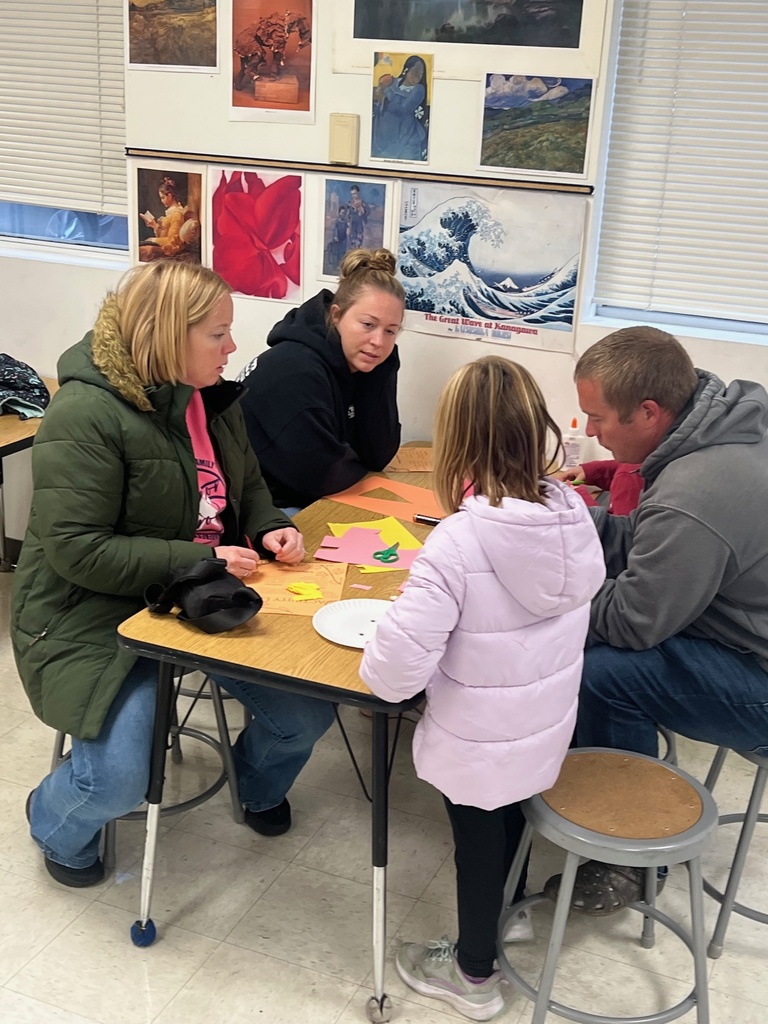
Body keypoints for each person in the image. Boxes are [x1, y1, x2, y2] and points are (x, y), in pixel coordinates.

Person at [11, 261, 335, 888]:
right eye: (218, 333)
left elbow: (246, 486)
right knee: (116, 782)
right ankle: (53, 823)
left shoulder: (211, 397)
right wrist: (200, 556)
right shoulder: (86, 414)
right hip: (94, 613)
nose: (233, 347)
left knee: (304, 720)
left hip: (202, 595)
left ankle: (255, 785)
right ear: (166, 334)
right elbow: (79, 551)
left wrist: (268, 525)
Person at [360, 356, 605, 1021]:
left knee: (476, 842)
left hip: (476, 740)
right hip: (541, 728)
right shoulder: (571, 515)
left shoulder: (459, 542)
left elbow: (392, 675)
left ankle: (474, 975)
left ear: (457, 444)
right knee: (512, 813)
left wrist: (389, 630)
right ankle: (508, 920)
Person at [544, 326, 768, 915]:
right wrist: (562, 522)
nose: (590, 432)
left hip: (758, 678)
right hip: (745, 626)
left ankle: (634, 859)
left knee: (602, 671)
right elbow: (651, 543)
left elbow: (632, 621)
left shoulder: (695, 492)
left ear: (648, 411)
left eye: (598, 418)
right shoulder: (731, 424)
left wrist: (540, 588)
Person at [239, 247, 403, 512]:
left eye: (391, 331)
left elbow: (378, 455)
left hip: (306, 494)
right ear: (336, 315)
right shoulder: (298, 369)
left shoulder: (362, 361)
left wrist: (383, 370)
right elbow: (323, 476)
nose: (378, 342)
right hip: (263, 509)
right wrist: (356, 461)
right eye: (368, 325)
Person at [372, 55, 429, 161]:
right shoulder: (393, 82)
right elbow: (378, 105)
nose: (418, 77)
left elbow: (403, 110)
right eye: (415, 72)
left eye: (421, 74)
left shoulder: (418, 90)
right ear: (407, 69)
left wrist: (383, 100)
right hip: (384, 134)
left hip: (406, 135)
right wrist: (379, 89)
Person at [560, 459, 643, 515]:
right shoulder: (641, 458)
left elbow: (617, 536)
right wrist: (591, 470)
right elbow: (625, 466)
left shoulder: (632, 478)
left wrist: (581, 500)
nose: (590, 433)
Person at [138, 176, 189, 260]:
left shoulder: (177, 215)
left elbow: (172, 241)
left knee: (143, 250)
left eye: (163, 197)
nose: (161, 201)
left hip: (169, 250)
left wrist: (153, 240)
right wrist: (154, 226)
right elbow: (164, 234)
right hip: (163, 246)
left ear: (169, 196)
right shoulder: (171, 213)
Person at [346, 184, 369, 250]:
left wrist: (361, 210)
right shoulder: (349, 203)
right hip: (352, 223)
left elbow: (367, 212)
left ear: (358, 193)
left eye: (355, 193)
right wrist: (348, 223)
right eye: (352, 194)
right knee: (352, 240)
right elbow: (347, 214)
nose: (354, 196)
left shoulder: (363, 203)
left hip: (360, 223)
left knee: (359, 239)